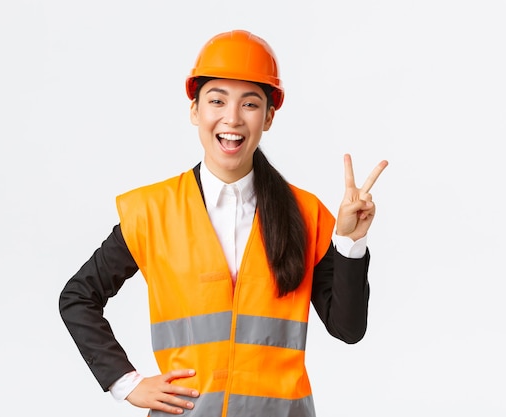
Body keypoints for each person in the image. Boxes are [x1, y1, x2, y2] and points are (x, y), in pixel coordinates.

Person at [59, 29, 388, 417]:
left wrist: (349, 243)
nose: (232, 118)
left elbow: (347, 329)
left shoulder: (304, 213)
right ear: (195, 110)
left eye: (250, 104)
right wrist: (126, 383)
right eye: (217, 100)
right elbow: (78, 298)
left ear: (268, 117)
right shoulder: (152, 211)